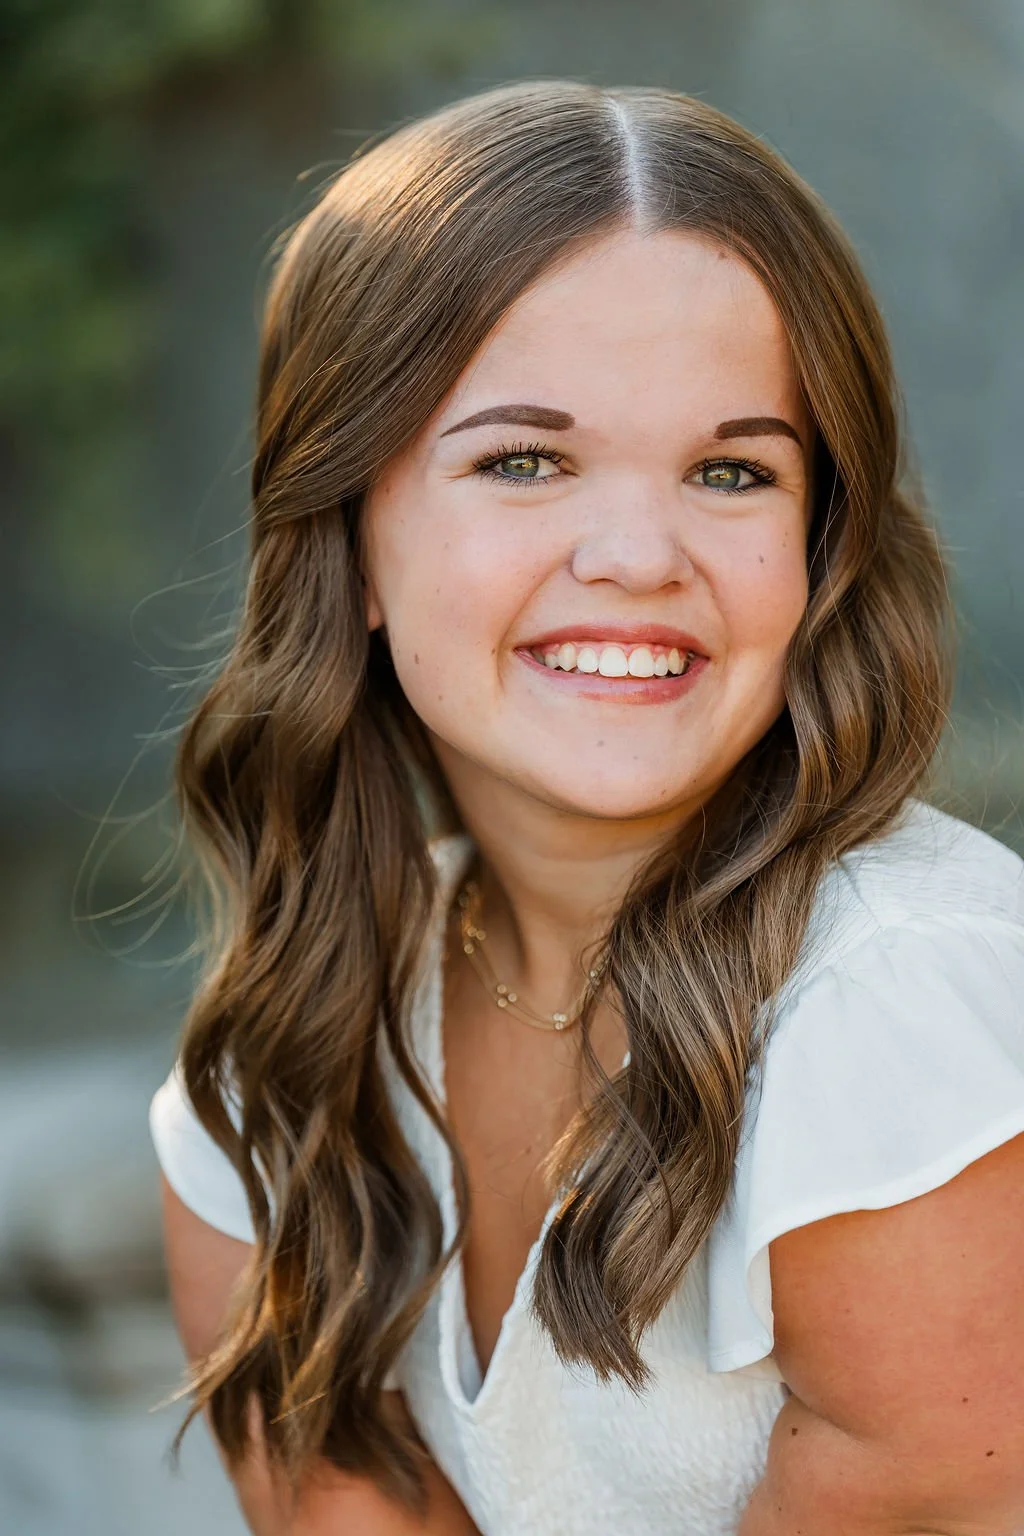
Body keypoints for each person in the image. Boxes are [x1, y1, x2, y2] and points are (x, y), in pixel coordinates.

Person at [149, 79, 1024, 1536]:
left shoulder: (905, 1011)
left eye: (732, 471)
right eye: (523, 461)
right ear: (350, 542)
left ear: (817, 550)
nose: (636, 555)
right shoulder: (285, 1053)